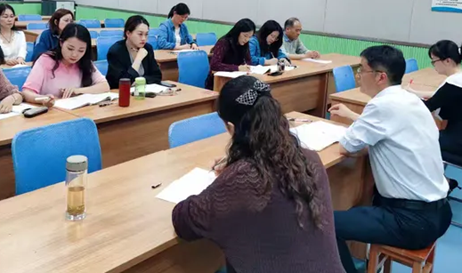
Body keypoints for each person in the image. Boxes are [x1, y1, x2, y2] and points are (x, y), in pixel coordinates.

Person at [172, 76, 344, 273]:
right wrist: (236, 166)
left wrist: (229, 176)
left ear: (231, 127)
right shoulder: (310, 159)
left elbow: (183, 220)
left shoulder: (245, 179)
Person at [328, 46, 451, 273]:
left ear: (380, 77)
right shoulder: (411, 99)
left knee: (324, 225)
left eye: (361, 70)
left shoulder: (381, 104)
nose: (358, 75)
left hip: (411, 220)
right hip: (440, 212)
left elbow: (346, 146)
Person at [22, 23, 110, 106]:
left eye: (81, 50)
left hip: (76, 111)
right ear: (61, 43)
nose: (75, 55)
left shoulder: (84, 62)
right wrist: (42, 99)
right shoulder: (45, 60)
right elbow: (27, 92)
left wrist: (78, 91)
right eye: (70, 48)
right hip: (51, 111)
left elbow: (104, 86)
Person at [407, 40, 462, 164]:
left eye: (434, 61)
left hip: (456, 141)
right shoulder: (459, 79)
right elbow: (442, 96)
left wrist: (405, 98)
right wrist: (414, 92)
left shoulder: (454, 83)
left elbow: (428, 106)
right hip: (457, 135)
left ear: (447, 61)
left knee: (412, 139)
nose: (433, 65)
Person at [106, 15, 162, 88]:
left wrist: (140, 81)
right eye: (140, 34)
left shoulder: (147, 48)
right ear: (128, 33)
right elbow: (122, 82)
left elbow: (157, 76)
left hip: (144, 90)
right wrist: (138, 59)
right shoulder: (116, 51)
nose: (144, 38)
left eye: (146, 34)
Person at [205, 18, 255, 89]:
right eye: (245, 36)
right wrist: (237, 68)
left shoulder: (245, 44)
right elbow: (214, 65)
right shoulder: (223, 42)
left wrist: (246, 66)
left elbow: (248, 60)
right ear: (238, 32)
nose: (247, 39)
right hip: (219, 81)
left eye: (250, 37)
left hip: (236, 80)